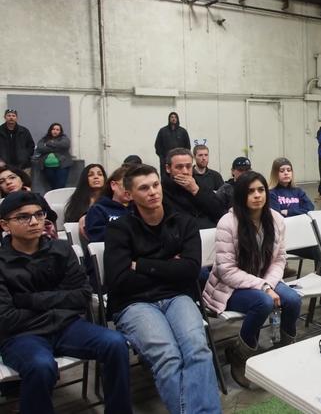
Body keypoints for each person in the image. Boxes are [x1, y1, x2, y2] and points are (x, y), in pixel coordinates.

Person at [0, 191, 132, 413]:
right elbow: (6, 318)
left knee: (115, 343)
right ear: (5, 225)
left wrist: (29, 300)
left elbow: (81, 295)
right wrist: (58, 303)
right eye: (23, 217)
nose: (34, 222)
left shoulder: (61, 250)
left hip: (66, 326)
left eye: (39, 214)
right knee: (41, 366)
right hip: (21, 336)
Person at [104, 164, 220, 414]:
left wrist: (142, 265)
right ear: (130, 194)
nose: (153, 192)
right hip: (134, 304)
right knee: (168, 357)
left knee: (198, 350)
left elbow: (190, 271)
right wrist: (169, 269)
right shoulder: (119, 229)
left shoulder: (184, 222)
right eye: (144, 188)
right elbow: (118, 281)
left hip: (178, 297)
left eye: (155, 185)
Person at [202, 171, 301, 389]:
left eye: (261, 190)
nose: (257, 195)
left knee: (293, 300)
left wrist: (268, 284)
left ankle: (285, 352)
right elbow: (226, 271)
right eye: (250, 191)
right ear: (240, 196)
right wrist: (265, 287)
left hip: (264, 281)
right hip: (229, 287)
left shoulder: (276, 219)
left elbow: (279, 260)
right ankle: (240, 354)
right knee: (263, 302)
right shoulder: (227, 223)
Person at [268, 157, 321, 281]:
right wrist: (299, 212)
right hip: (286, 242)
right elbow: (277, 215)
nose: (286, 173)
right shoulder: (272, 194)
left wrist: (288, 211)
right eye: (282, 170)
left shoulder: (298, 191)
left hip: (302, 236)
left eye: (289, 170)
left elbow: (309, 207)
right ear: (275, 173)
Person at [161, 148, 227, 229]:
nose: (185, 171)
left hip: (210, 231)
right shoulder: (162, 191)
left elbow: (220, 211)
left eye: (188, 166)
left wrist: (196, 191)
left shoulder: (198, 183)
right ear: (168, 168)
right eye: (179, 167)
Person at [85, 165, 130, 243]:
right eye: (126, 185)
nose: (129, 189)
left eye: (134, 186)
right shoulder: (98, 209)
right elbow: (96, 236)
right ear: (113, 185)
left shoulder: (139, 209)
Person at [64, 164, 106, 235]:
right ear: (85, 179)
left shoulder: (110, 199)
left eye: (100, 174)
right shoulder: (78, 200)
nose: (96, 177)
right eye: (91, 175)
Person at [35, 122, 73, 190]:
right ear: (50, 130)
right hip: (47, 167)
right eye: (53, 129)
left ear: (60, 131)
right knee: (52, 185)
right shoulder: (44, 139)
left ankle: (58, 198)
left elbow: (65, 145)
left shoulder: (64, 138)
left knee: (60, 185)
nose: (55, 131)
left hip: (62, 165)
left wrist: (48, 144)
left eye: (57, 129)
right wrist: (56, 147)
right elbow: (40, 148)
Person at [154, 112, 190, 178]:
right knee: (166, 177)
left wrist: (184, 158)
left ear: (177, 119)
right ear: (169, 119)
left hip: (180, 160)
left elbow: (187, 146)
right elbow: (157, 145)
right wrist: (162, 157)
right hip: (165, 160)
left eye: (175, 117)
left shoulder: (183, 131)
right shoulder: (163, 131)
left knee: (179, 176)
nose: (173, 119)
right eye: (172, 117)